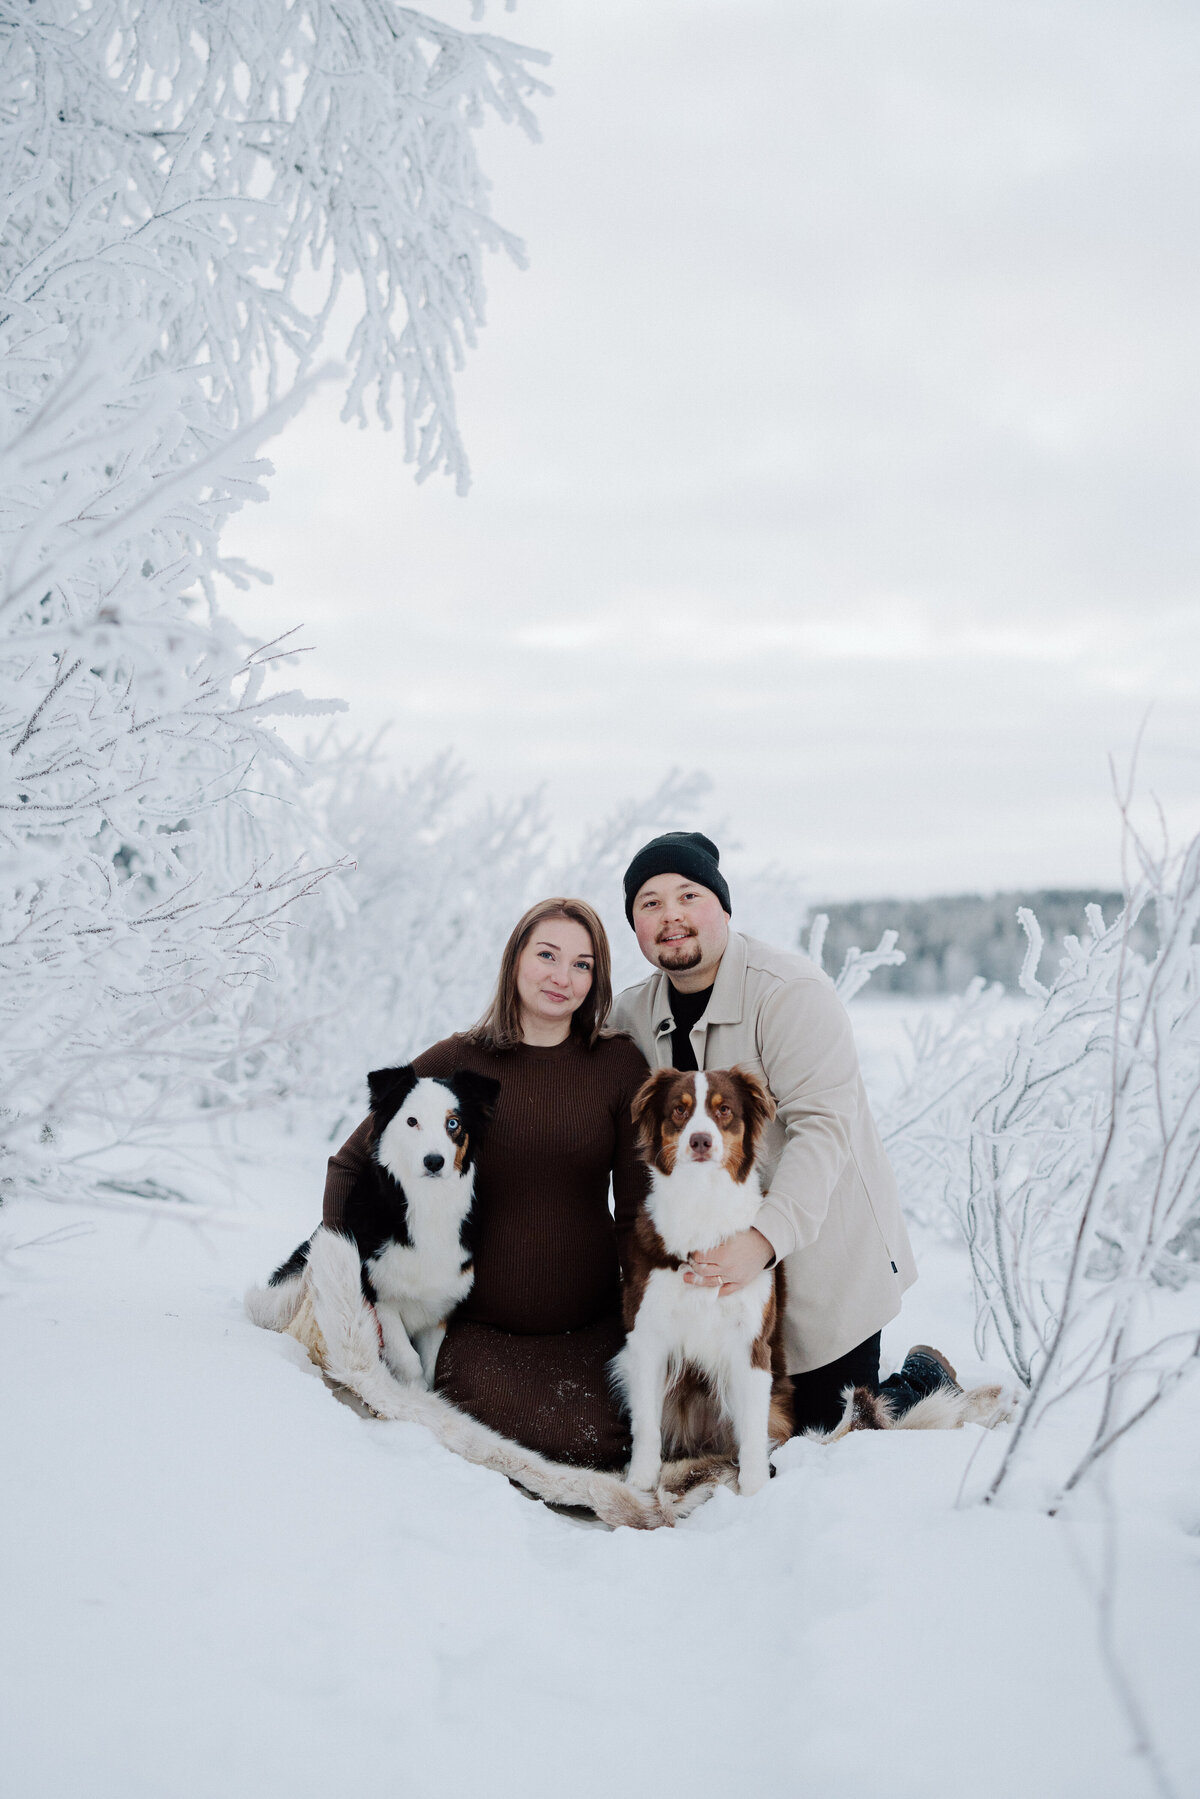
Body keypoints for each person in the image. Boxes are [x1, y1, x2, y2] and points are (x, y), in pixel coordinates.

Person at [610, 831, 957, 1435]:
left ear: (722, 905)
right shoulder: (632, 1014)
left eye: (687, 895)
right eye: (650, 903)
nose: (671, 916)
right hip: (709, 1270)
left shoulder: (790, 993)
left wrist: (762, 1239)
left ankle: (923, 1376)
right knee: (719, 1420)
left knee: (825, 1428)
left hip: (820, 1253)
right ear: (635, 926)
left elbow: (825, 1130)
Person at [321, 897, 647, 1468]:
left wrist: (647, 1315)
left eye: (582, 964)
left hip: (592, 1325)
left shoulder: (617, 1065)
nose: (561, 977)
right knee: (520, 1435)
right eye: (546, 954)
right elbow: (350, 1166)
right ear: (514, 958)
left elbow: (640, 1208)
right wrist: (354, 1291)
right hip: (480, 1331)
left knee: (616, 1437)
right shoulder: (457, 1062)